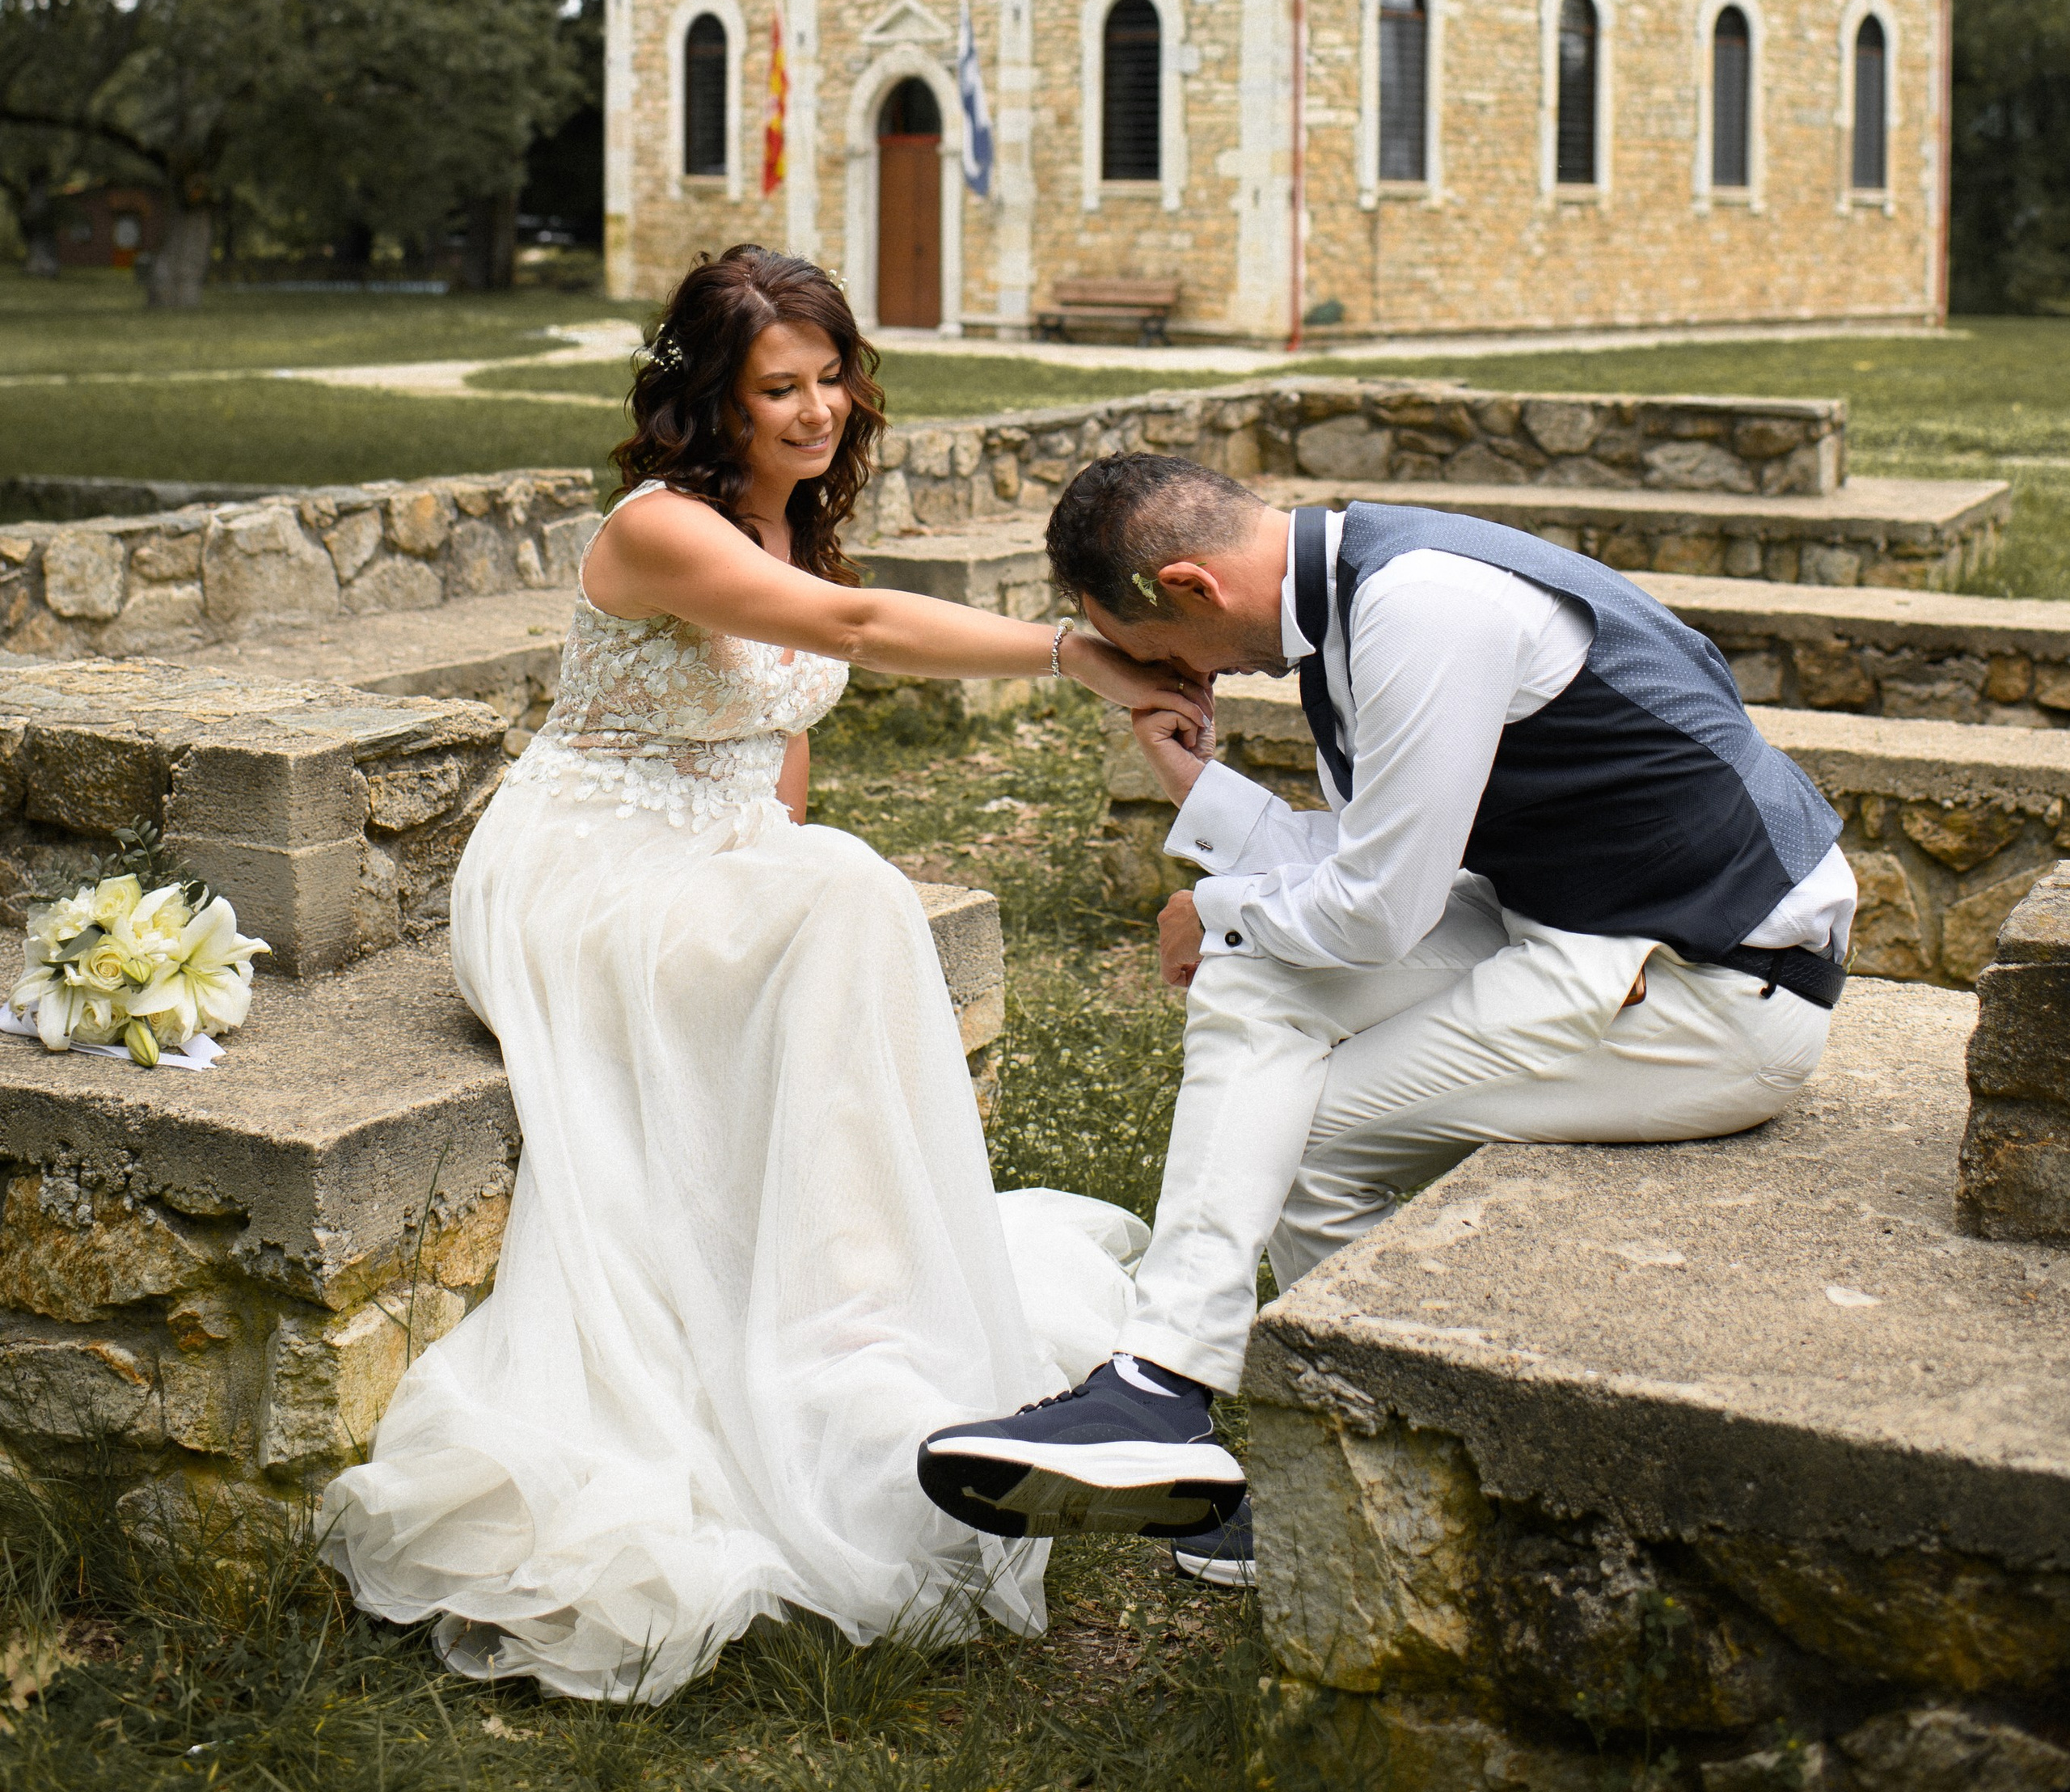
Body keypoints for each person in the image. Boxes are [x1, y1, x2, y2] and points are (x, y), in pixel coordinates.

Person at [321, 250, 1206, 1699]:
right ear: (709, 407)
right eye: (776, 390)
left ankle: (861, 1341)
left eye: (830, 379)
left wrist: (768, 859)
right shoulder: (658, 529)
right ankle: (840, 1363)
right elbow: (850, 638)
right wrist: (1082, 656)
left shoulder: (785, 525)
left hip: (708, 851)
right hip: (577, 873)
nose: (816, 413)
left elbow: (777, 739)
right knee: (852, 895)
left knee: (835, 890)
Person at [919, 454, 1852, 1585]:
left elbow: (1379, 912)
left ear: (1193, 588)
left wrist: (1213, 909)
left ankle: (1369, 1515)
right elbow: (1386, 868)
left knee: (1304, 1136)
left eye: (1161, 655)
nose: (1178, 680)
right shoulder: (1360, 592)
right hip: (1582, 928)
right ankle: (1160, 1391)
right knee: (1255, 979)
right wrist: (1201, 801)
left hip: (1715, 979)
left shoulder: (1422, 608)